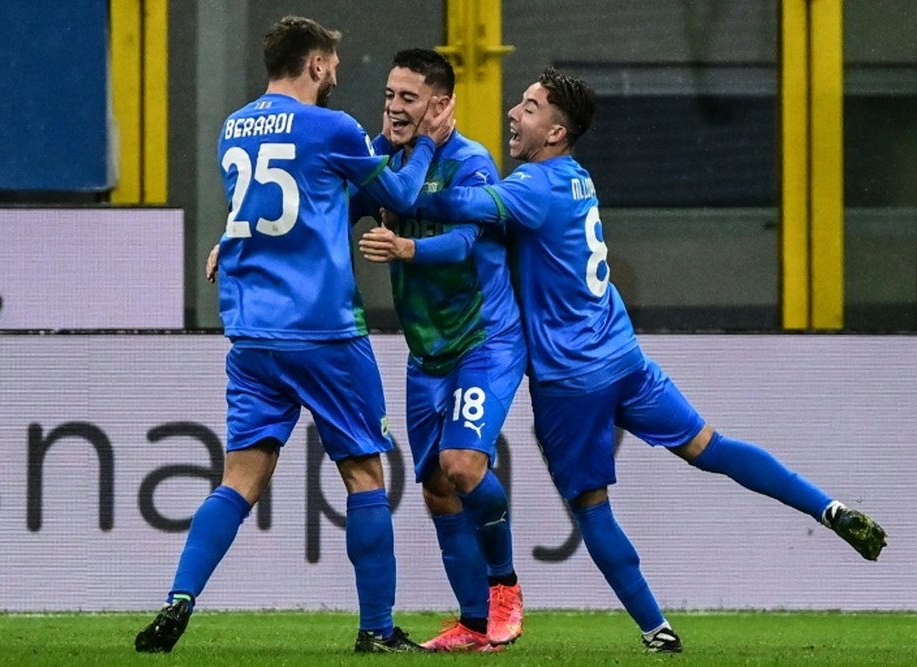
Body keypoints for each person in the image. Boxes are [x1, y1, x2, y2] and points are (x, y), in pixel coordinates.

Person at [412, 67, 888, 653]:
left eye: (529, 107)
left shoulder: (533, 186)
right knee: (710, 447)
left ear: (556, 132)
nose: (514, 112)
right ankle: (829, 508)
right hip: (624, 356)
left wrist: (428, 154)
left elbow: (451, 203)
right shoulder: (576, 179)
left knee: (590, 508)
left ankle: (656, 630)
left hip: (571, 380)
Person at [135, 15, 454, 655]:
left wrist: (226, 241)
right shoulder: (330, 127)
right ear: (313, 64)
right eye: (332, 64)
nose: (336, 74)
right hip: (323, 331)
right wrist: (423, 140)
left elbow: (273, 208)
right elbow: (398, 191)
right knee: (364, 473)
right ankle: (377, 629)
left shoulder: (235, 126)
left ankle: (179, 597)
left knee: (239, 478)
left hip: (251, 333)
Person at [354, 48, 526, 652]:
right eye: (390, 95)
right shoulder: (383, 159)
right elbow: (322, 209)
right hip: (425, 352)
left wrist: (406, 251)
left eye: (409, 97)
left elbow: (461, 245)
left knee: (463, 466)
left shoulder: (471, 160)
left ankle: (504, 585)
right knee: (433, 485)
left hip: (484, 340)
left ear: (441, 103)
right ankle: (476, 624)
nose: (395, 108)